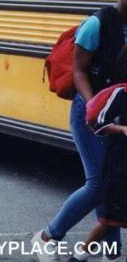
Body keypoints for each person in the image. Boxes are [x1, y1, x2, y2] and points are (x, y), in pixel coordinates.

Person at [32, 0, 127, 261]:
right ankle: (47, 237)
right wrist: (94, 105)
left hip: (119, 111)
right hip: (89, 112)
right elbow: (79, 70)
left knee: (111, 180)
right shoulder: (97, 23)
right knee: (98, 182)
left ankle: (108, 246)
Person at [71, 46, 127, 261]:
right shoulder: (120, 94)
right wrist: (121, 129)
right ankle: (80, 255)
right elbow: (98, 125)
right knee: (108, 221)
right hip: (118, 169)